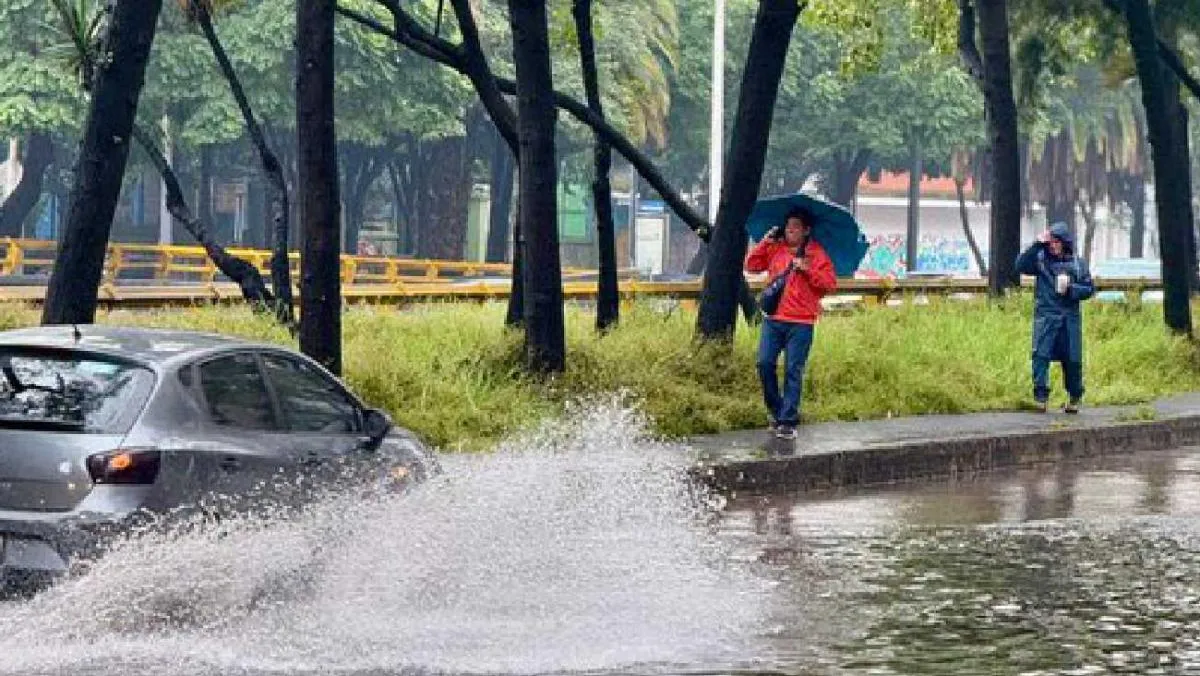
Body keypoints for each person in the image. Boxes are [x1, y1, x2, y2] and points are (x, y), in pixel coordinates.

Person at [745, 207, 837, 439]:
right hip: (774, 319)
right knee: (764, 363)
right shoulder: (776, 249)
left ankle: (787, 421)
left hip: (801, 322)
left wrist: (808, 270)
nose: (790, 231)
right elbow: (751, 265)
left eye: (795, 227)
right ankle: (777, 410)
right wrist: (766, 241)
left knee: (793, 370)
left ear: (806, 230)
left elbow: (829, 284)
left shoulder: (817, 254)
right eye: (788, 226)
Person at [1015, 221, 1095, 413]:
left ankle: (1074, 397)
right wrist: (1037, 244)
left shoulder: (1078, 264)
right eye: (1050, 241)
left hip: (1070, 318)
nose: (1053, 245)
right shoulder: (1040, 261)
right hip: (1046, 316)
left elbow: (1089, 288)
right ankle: (1040, 398)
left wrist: (1071, 290)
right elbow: (1020, 265)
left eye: (1056, 241)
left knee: (1072, 360)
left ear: (1065, 242)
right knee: (1040, 356)